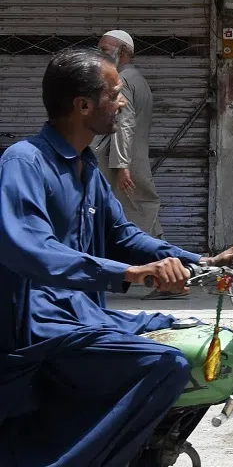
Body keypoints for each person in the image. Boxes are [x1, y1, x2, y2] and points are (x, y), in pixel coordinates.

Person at [0, 46, 233, 467]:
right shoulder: (24, 162)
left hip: (82, 317)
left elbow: (126, 238)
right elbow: (29, 248)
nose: (121, 103)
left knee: (194, 340)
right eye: (114, 93)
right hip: (41, 328)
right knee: (160, 365)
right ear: (82, 106)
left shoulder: (85, 169)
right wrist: (128, 274)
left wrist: (206, 262)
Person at [92, 30, 173, 300]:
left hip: (123, 160)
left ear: (123, 51)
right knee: (144, 213)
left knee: (135, 214)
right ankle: (170, 279)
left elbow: (124, 124)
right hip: (131, 158)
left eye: (106, 49)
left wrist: (121, 165)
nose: (100, 53)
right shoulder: (136, 77)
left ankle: (171, 278)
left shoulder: (123, 79)